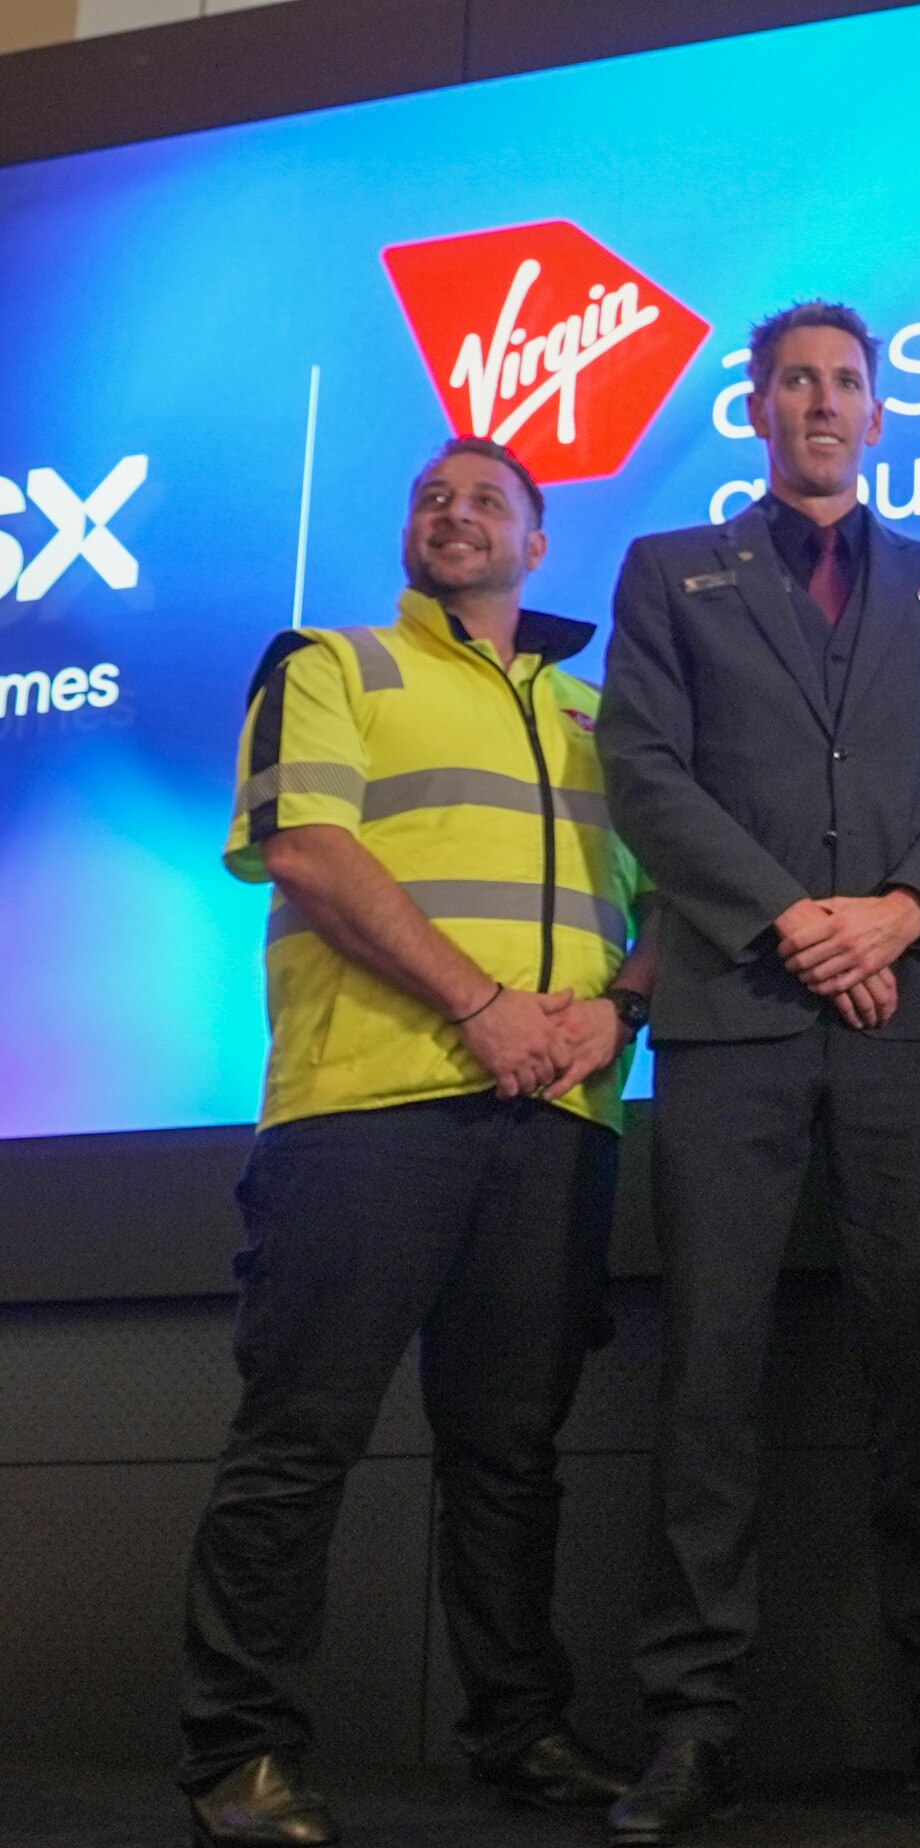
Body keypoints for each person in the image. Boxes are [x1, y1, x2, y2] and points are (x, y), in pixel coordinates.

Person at [182, 436, 652, 1846]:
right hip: (363, 1110)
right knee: (298, 1441)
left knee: (513, 1454)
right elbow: (313, 853)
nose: (456, 513)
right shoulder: (329, 662)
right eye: (432, 498)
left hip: (557, 1119)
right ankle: (239, 1759)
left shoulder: (600, 715)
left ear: (539, 544)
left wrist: (612, 1017)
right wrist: (488, 1007)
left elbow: (677, 903)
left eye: (487, 500)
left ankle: (521, 1734)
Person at [597, 302, 920, 1843]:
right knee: (709, 1375)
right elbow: (643, 769)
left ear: (881, 415)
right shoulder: (666, 572)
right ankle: (693, 1726)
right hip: (733, 1014)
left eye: (847, 385)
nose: (822, 404)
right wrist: (790, 918)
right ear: (753, 410)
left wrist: (899, 911)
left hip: (907, 1014)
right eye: (796, 384)